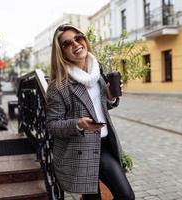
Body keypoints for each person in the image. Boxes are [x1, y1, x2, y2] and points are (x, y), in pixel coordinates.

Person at [46, 23, 135, 200]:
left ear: (84, 39)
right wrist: (78, 124)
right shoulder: (59, 86)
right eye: (67, 43)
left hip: (103, 145)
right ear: (61, 52)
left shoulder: (96, 72)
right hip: (79, 152)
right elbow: (52, 125)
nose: (75, 44)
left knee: (126, 196)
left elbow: (99, 106)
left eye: (78, 38)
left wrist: (110, 97)